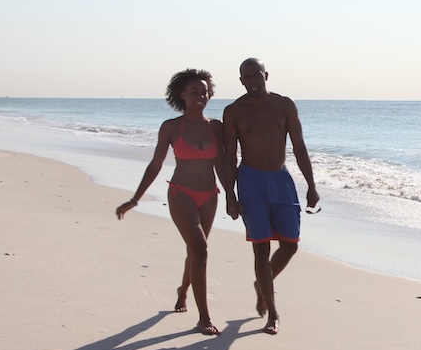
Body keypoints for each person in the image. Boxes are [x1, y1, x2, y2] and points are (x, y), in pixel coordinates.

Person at [116, 69, 228, 336]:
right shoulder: (171, 127)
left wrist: (232, 197)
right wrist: (136, 198)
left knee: (195, 251)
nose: (201, 96)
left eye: (204, 92)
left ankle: (183, 291)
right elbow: (156, 164)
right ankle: (204, 318)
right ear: (181, 95)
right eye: (194, 92)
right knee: (200, 249)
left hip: (209, 195)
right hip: (182, 194)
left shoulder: (216, 127)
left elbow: (223, 164)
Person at [223, 58, 319, 335]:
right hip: (250, 181)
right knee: (261, 247)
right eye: (247, 77)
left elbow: (299, 146)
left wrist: (311, 185)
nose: (253, 81)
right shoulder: (234, 112)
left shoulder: (284, 105)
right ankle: (272, 313)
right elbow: (229, 155)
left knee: (290, 244)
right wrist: (230, 194)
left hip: (281, 178)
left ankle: (260, 283)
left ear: (266, 75)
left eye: (257, 75)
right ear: (241, 80)